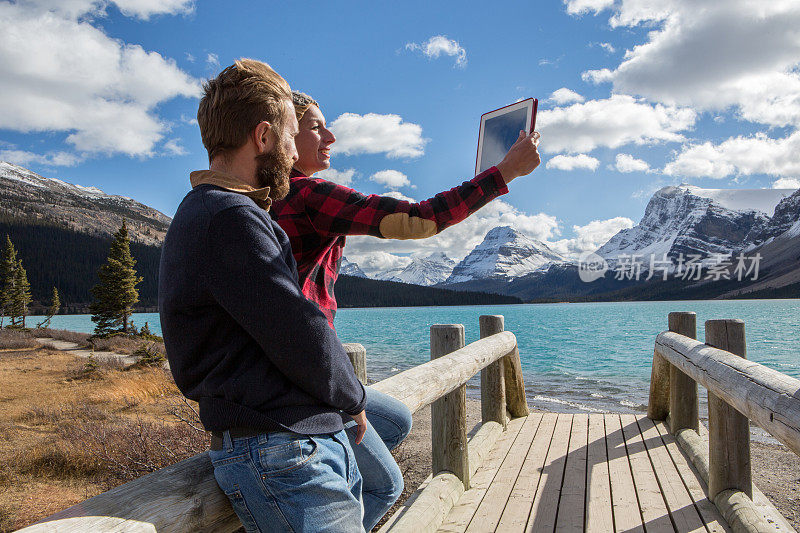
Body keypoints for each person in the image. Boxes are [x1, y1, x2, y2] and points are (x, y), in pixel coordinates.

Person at [269, 91, 542, 529]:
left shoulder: (264, 199)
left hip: (291, 368)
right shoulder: (308, 195)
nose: (331, 136)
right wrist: (503, 172)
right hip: (308, 379)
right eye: (316, 126)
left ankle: (331, 492)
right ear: (283, 133)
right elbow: (419, 218)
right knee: (387, 485)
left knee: (394, 419)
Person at [159, 59, 368, 533]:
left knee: (385, 462)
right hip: (280, 448)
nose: (295, 153)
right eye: (293, 136)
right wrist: (352, 398)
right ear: (265, 137)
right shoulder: (230, 218)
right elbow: (295, 328)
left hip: (288, 436)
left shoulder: (217, 211)